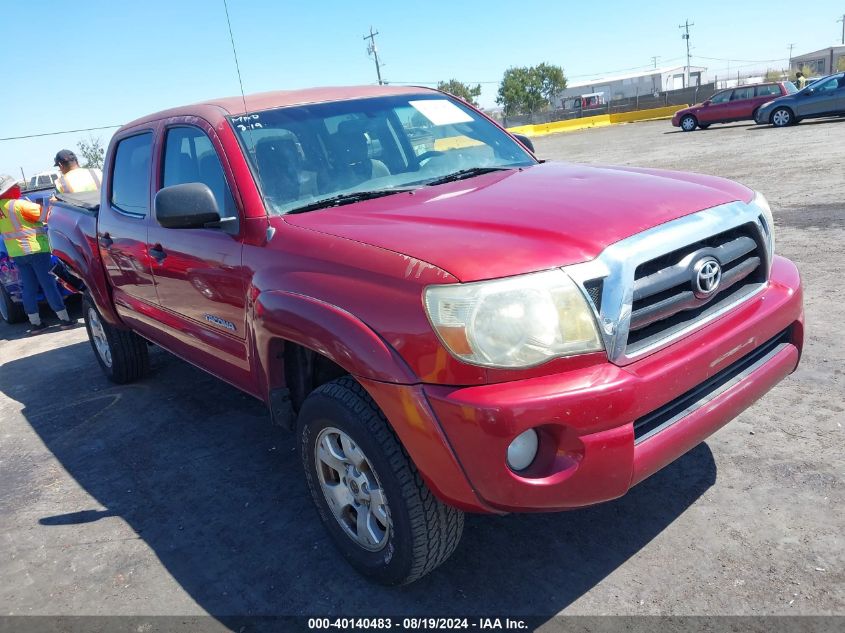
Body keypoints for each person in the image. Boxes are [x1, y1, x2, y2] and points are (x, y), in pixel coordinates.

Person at [0, 174, 75, 333]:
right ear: (9, 189)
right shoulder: (19, 205)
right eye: (16, 186)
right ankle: (65, 319)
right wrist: (53, 203)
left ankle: (35, 324)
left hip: (17, 254)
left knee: (29, 287)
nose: (18, 187)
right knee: (48, 284)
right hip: (36, 250)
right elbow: (46, 215)